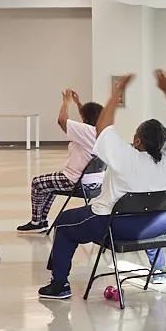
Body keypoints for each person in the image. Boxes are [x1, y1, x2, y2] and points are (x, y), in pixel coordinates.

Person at [37, 70, 166, 300]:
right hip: (158, 226)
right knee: (148, 209)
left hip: (114, 225)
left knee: (63, 224)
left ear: (137, 140)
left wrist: (116, 93)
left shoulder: (126, 157)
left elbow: (102, 129)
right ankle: (158, 270)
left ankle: (59, 285)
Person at [18, 86, 105, 233]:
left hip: (76, 182)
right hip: (96, 183)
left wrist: (66, 101)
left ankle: (36, 222)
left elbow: (62, 120)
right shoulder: (101, 132)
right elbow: (87, 119)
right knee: (50, 185)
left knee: (37, 183)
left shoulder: (87, 132)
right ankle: (42, 221)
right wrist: (78, 104)